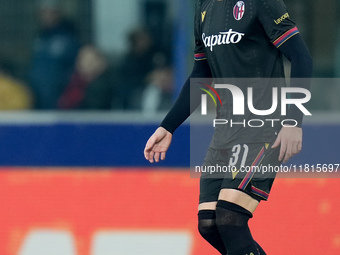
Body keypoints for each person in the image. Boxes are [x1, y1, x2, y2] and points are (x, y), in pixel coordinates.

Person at [144, 1, 313, 255]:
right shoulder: (203, 7)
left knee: (229, 218)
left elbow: (301, 57)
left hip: (264, 125)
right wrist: (168, 126)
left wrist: (292, 122)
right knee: (209, 224)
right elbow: (202, 74)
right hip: (226, 129)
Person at [29, 0, 80, 109]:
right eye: (43, 12)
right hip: (37, 97)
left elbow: (74, 68)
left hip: (59, 98)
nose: (46, 16)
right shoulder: (39, 38)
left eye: (50, 12)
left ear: (58, 13)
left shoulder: (69, 38)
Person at [58, 45, 113, 110]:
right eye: (82, 60)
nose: (86, 64)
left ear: (100, 63)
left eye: (91, 61)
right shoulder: (70, 82)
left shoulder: (104, 85)